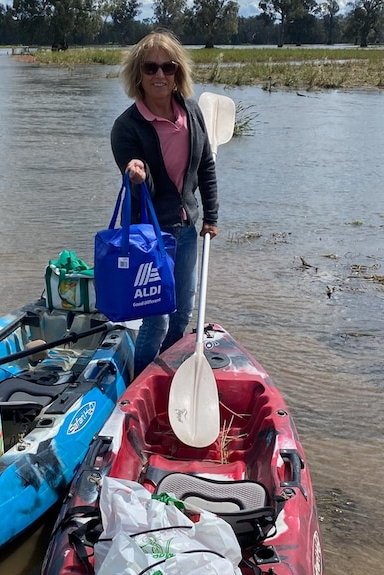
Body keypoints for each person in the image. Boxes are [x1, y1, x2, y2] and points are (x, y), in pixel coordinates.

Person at [111, 29, 219, 376]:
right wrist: (137, 173)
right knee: (156, 318)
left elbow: (205, 166)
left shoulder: (191, 111)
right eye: (150, 68)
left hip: (189, 226)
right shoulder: (126, 127)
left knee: (183, 311)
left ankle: (171, 373)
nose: (159, 75)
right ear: (138, 74)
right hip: (153, 233)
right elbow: (147, 189)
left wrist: (211, 217)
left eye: (168, 67)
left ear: (178, 72)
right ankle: (141, 382)